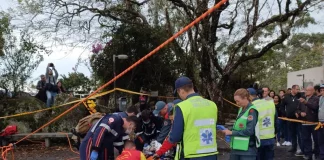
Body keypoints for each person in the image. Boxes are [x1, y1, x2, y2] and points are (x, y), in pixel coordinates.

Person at [169, 76, 218, 160]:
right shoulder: (212, 105)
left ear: (180, 90)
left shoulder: (182, 107)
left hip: (191, 154)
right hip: (211, 153)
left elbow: (175, 137)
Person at [222, 88, 259, 160]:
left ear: (245, 98)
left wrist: (231, 132)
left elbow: (249, 131)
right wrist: (228, 130)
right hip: (236, 148)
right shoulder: (241, 109)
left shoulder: (252, 111)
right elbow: (239, 126)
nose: (237, 103)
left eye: (238, 101)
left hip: (247, 149)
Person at [248, 88, 277, 160]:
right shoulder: (270, 103)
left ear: (249, 96)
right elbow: (276, 121)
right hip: (270, 138)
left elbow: (250, 125)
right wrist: (275, 133)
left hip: (258, 139)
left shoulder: (251, 106)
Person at [296, 86, 319, 160]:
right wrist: (300, 113)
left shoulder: (316, 98)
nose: (306, 92)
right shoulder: (302, 98)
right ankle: (308, 154)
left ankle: (317, 153)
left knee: (316, 139)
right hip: (304, 122)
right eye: (306, 90)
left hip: (314, 122)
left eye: (308, 90)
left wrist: (305, 102)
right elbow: (297, 109)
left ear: (312, 91)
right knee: (306, 139)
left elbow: (315, 107)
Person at [281, 85, 303, 155]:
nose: (298, 90)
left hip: (298, 119)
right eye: (297, 89)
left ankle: (301, 149)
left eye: (298, 89)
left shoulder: (300, 96)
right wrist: (285, 114)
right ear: (292, 89)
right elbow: (282, 106)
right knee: (292, 134)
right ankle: (294, 147)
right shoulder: (286, 97)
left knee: (299, 134)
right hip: (290, 119)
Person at [318, 84, 324, 160]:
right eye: (321, 90)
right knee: (320, 140)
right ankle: (322, 155)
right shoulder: (320, 98)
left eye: (323, 90)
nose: (322, 91)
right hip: (320, 122)